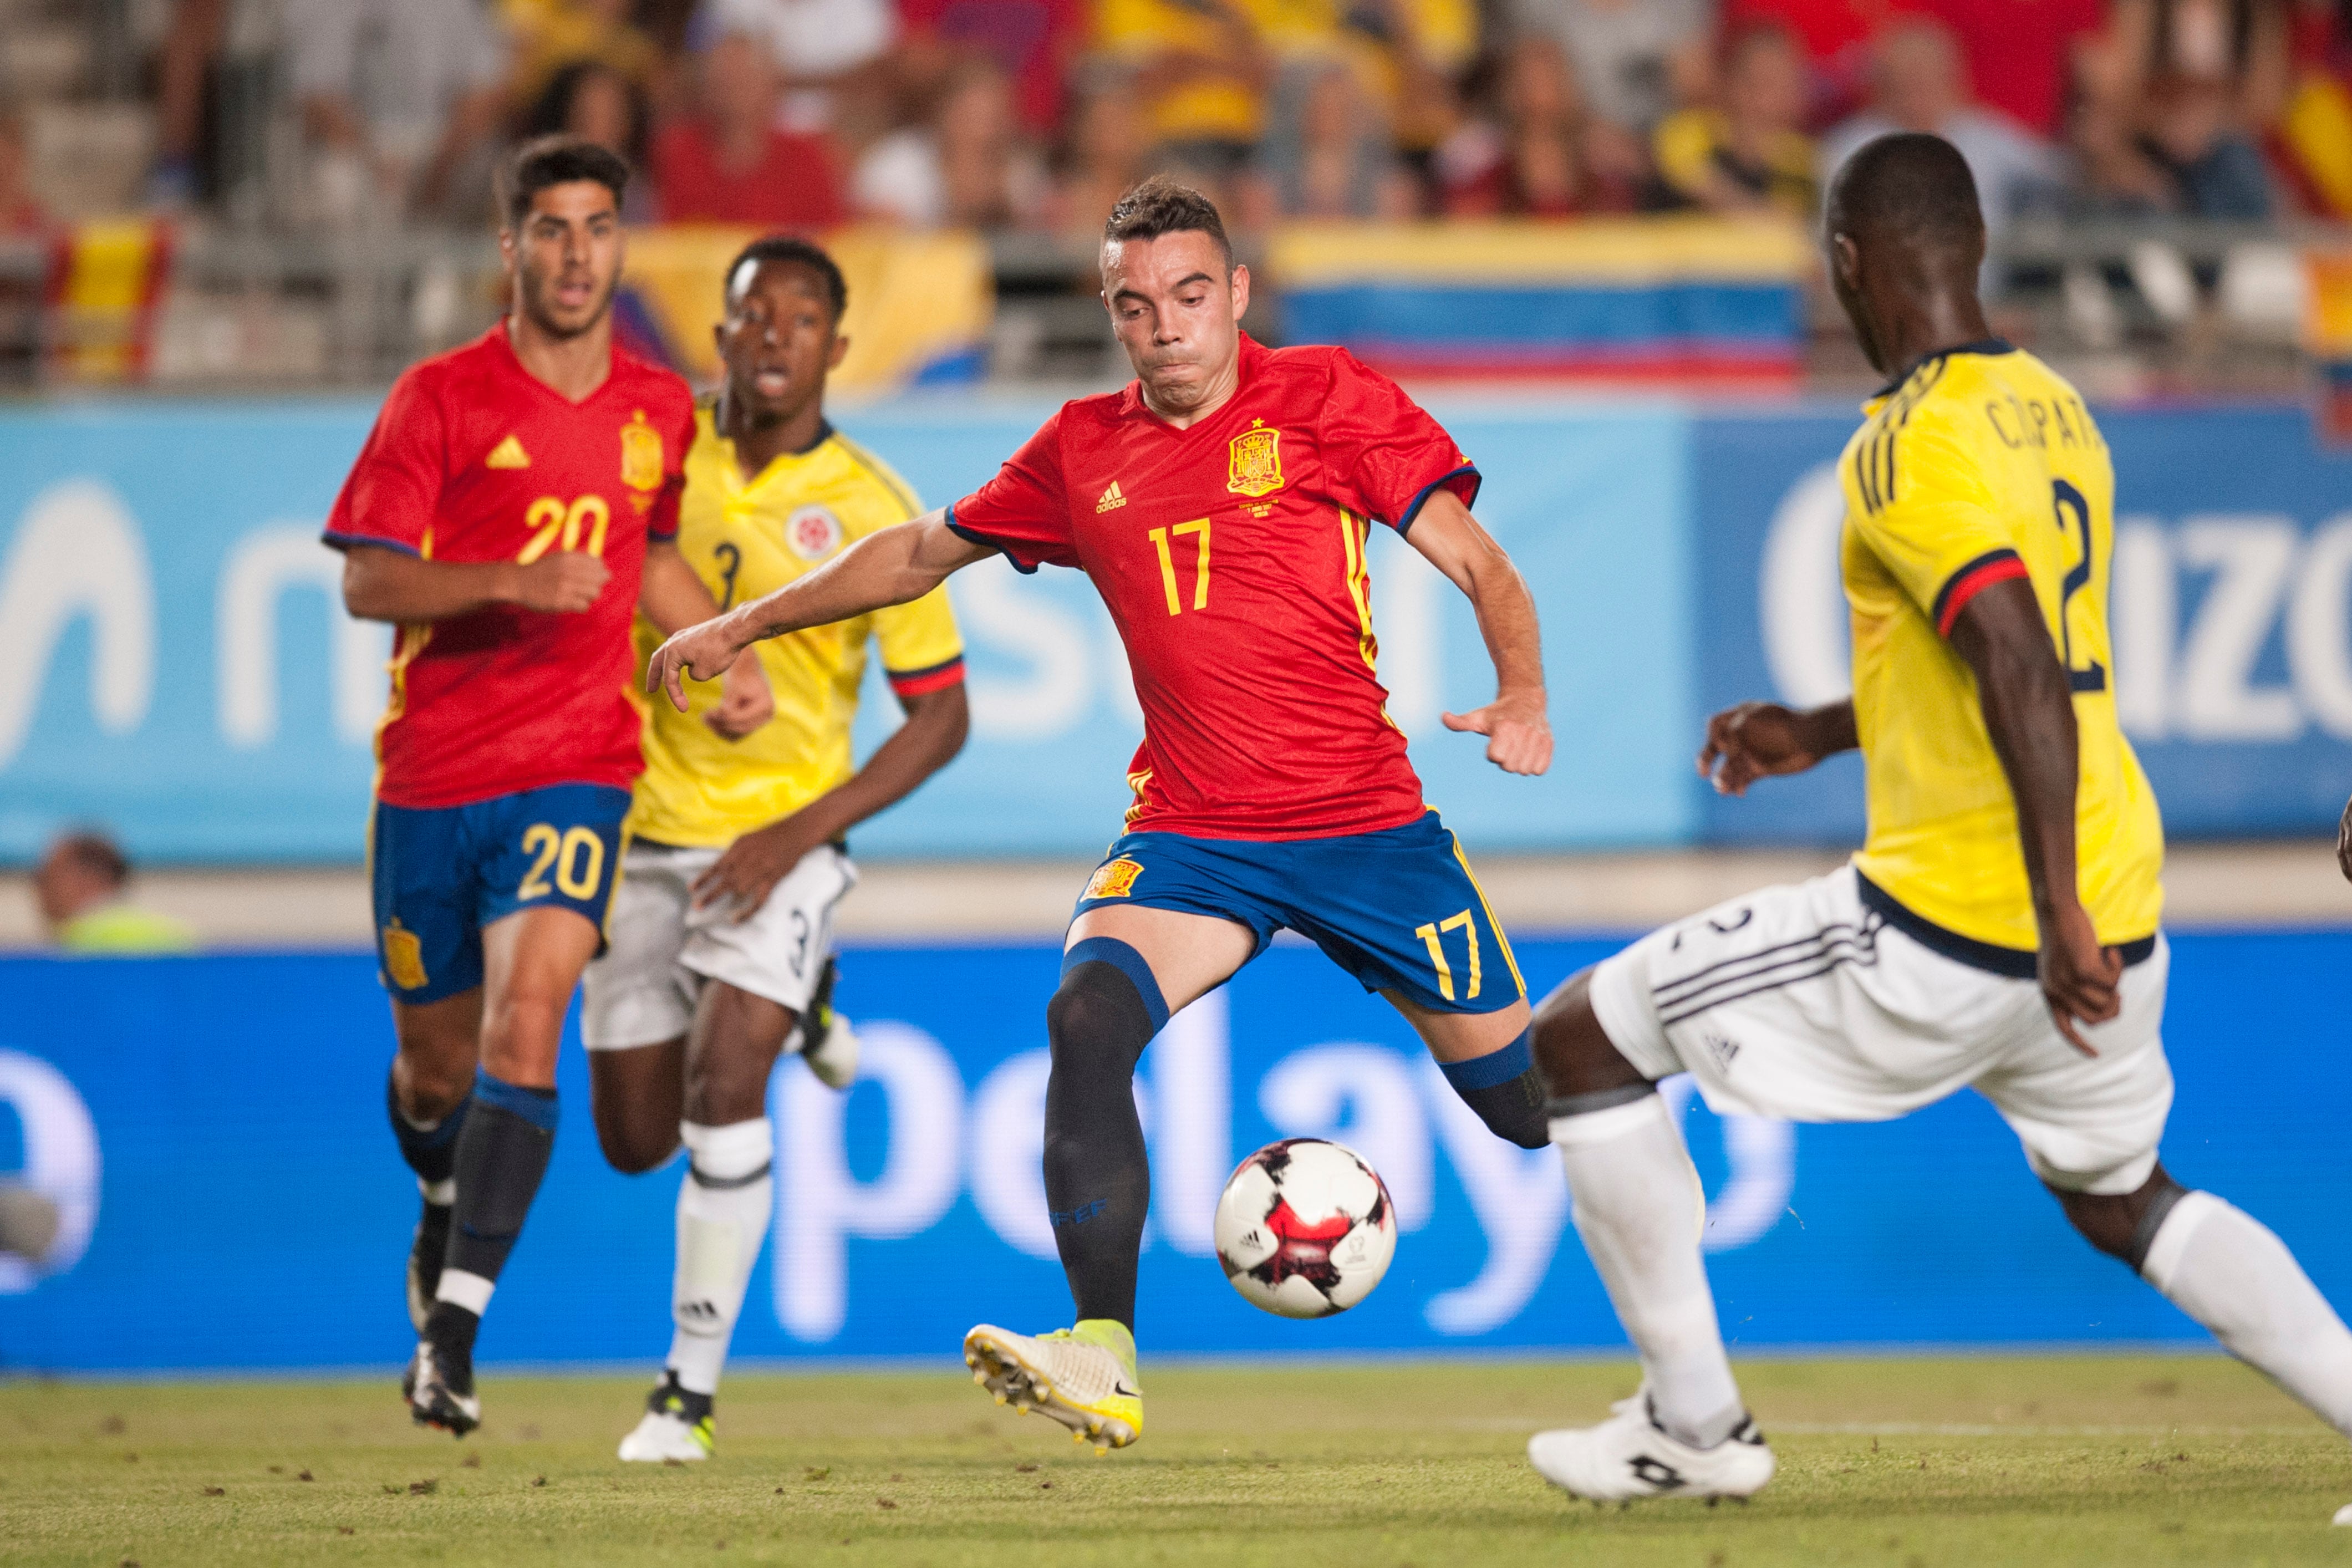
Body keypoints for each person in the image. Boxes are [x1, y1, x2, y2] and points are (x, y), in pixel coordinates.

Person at [646, 176, 1556, 1454]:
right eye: (1135, 307)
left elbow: (1476, 558)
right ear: (1111, 314)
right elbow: (917, 551)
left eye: (1190, 296)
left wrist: (1520, 689)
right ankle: (1105, 1355)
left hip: (1368, 833)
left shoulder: (1328, 400)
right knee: (1084, 1015)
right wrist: (740, 620)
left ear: (1237, 295)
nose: (1166, 327)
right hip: (1196, 839)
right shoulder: (1082, 450)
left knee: (1531, 1113)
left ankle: (1669, 1052)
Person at [1521, 131, 2352, 1507]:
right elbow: (2015, 661)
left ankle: (1697, 1428)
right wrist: (1826, 728)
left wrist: (2049, 911)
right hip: (2114, 891)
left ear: (1851, 264)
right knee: (2123, 1195)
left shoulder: (1906, 443)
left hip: (1969, 915)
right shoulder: (2052, 406)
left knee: (1581, 1045)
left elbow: (2020, 659)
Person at [325, 135, 769, 1438]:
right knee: (435, 1073)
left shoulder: (657, 407)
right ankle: (440, 1200)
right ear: (511, 247)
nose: (578, 255)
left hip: (579, 770)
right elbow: (368, 580)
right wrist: (513, 581)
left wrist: (711, 648)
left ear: (622, 244)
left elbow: (646, 554)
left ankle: (453, 1338)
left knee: (534, 1027)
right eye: (553, 231)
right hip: (432, 779)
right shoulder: (439, 398)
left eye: (599, 229)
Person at [584, 236, 970, 1462]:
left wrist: (799, 831)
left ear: (837, 349)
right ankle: (812, 1001)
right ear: (721, 335)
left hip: (784, 838)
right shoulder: (658, 460)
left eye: (800, 320)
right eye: (752, 316)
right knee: (635, 1139)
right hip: (646, 832)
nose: (772, 338)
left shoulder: (868, 505)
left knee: (722, 1087)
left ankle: (683, 1395)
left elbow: (943, 714)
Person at [1816, 19, 2068, 240]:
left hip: (1986, 290)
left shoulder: (1988, 137)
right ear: (1883, 86)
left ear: (1954, 81)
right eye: (1906, 83)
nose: (1918, 97)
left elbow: (2062, 177)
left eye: (1929, 81)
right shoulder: (1847, 148)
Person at [649, 32, 848, 227]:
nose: (732, 89)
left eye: (745, 77)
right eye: (723, 79)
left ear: (772, 85)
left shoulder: (807, 157)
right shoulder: (678, 151)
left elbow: (829, 240)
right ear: (706, 88)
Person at [1650, 23, 1816, 217]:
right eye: (1761, 83)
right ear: (1732, 85)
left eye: (1787, 83)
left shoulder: (1800, 159)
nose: (1776, 98)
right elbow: (1702, 187)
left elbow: (1788, 220)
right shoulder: (1687, 131)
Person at [33, 832, 195, 954]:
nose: (40, 890)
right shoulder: (178, 937)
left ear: (83, 878)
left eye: (47, 877)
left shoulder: (75, 945)